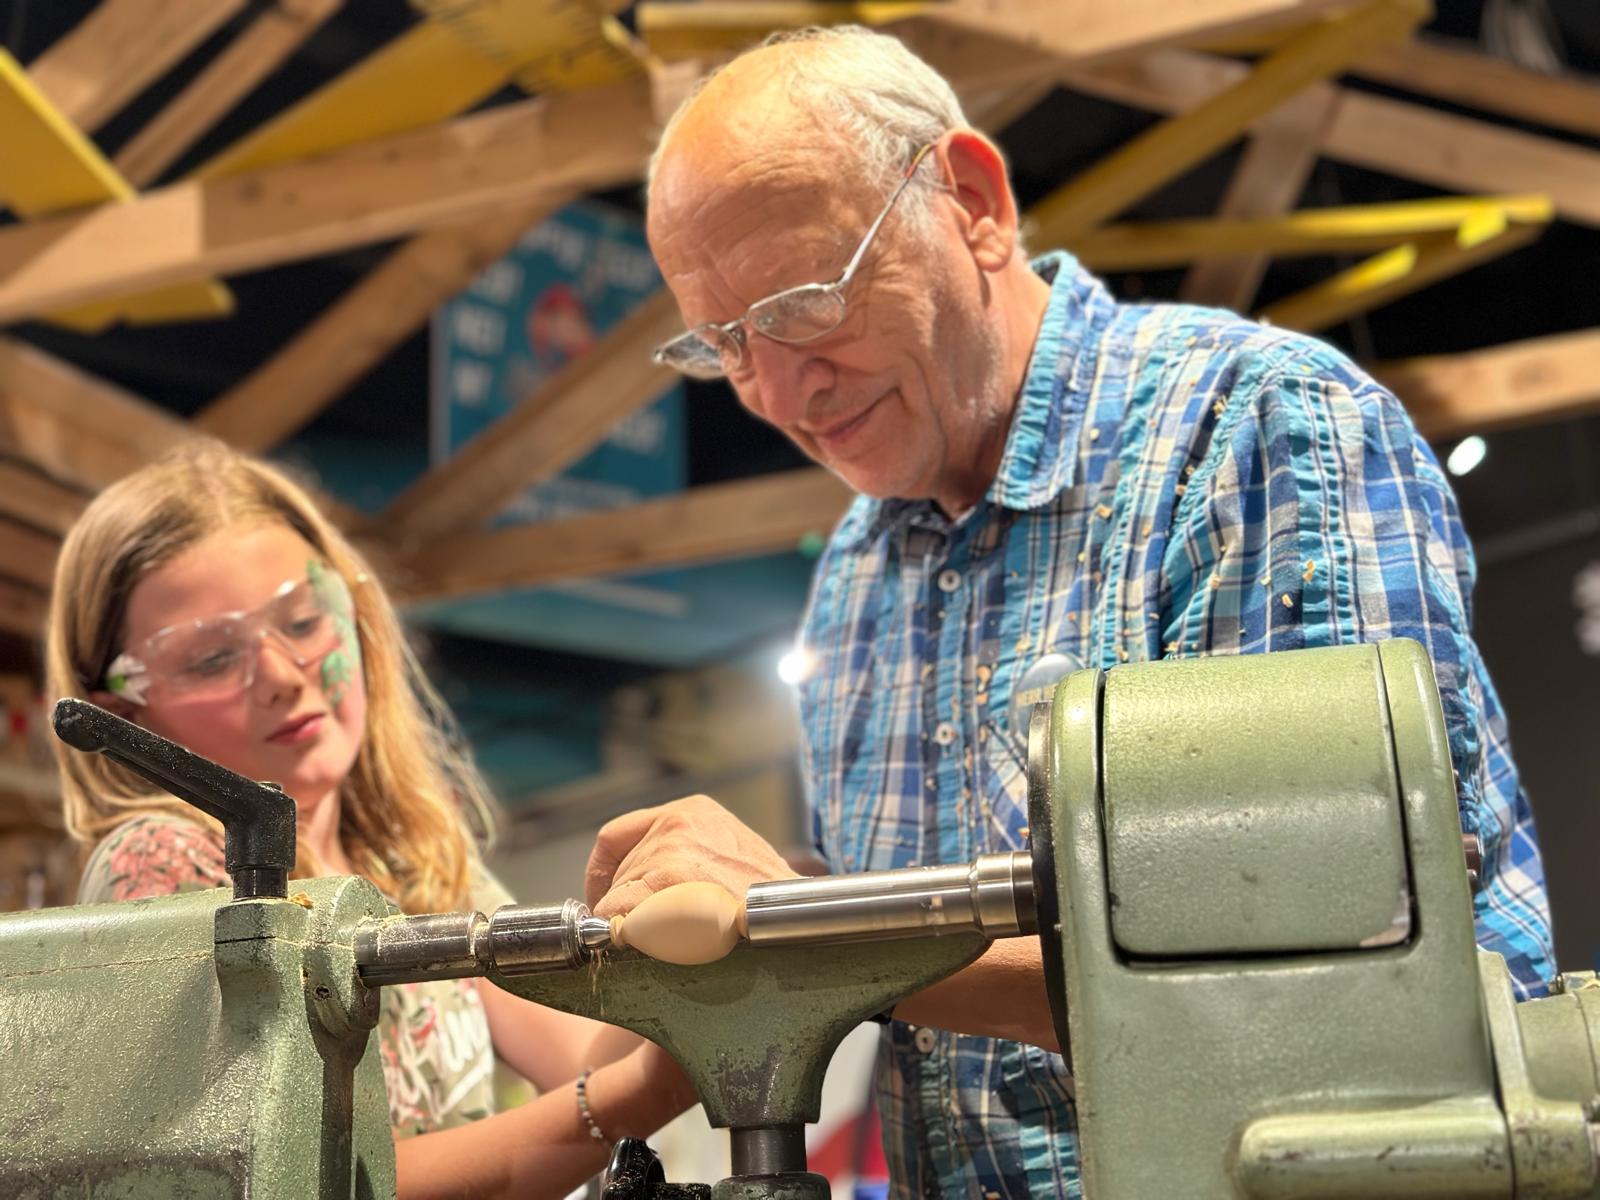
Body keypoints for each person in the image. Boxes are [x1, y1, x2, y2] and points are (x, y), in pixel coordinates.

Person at [586, 24, 1556, 1200]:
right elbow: (939, 974)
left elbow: (1320, 985)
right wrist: (757, 908)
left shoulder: (1252, 433)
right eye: (727, 344)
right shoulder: (859, 566)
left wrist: (805, 929)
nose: (780, 393)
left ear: (973, 202)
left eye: (803, 305)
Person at [47, 438, 696, 1200]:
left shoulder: (407, 853)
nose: (285, 679)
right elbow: (303, 1182)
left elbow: (587, 1054)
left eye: (301, 619)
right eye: (210, 660)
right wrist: (633, 1097)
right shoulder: (166, 869)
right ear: (121, 715)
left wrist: (680, 947)